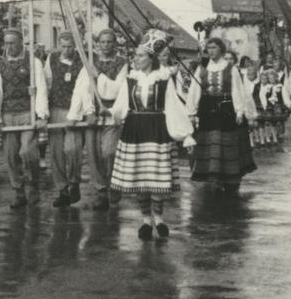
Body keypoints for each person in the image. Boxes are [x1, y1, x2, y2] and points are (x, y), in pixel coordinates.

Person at [109, 32, 196, 240]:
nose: (135, 59)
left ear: (151, 58)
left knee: (156, 177)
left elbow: (174, 108)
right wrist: (109, 114)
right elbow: (120, 107)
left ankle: (159, 217)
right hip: (135, 130)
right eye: (135, 56)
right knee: (141, 178)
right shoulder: (131, 79)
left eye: (140, 56)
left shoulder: (164, 79)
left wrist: (186, 135)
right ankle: (146, 220)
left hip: (157, 129)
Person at [0, 28, 49, 209]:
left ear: (22, 42)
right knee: (11, 154)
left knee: (27, 152)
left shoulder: (33, 62)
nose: (9, 46)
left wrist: (40, 115)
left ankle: (33, 184)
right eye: (6, 43)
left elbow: (41, 88)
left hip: (27, 112)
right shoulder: (0, 65)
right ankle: (18, 191)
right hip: (8, 114)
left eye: (12, 42)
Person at [187, 38, 259, 195]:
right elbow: (194, 91)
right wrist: (191, 113)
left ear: (221, 50)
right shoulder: (202, 68)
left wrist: (239, 111)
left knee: (226, 142)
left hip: (226, 109)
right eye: (209, 48)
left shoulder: (231, 68)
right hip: (207, 109)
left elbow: (237, 91)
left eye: (214, 48)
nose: (211, 51)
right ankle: (215, 176)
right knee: (211, 141)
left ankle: (230, 177)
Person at [71, 28, 127, 211]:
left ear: (115, 44)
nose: (105, 46)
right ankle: (101, 191)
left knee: (109, 151)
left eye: (109, 42)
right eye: (102, 42)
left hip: (111, 112)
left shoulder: (122, 64)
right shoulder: (90, 63)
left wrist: (99, 76)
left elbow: (117, 90)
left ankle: (114, 184)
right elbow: (82, 88)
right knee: (93, 153)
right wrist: (87, 110)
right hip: (93, 113)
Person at [44, 31, 91, 208]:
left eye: (70, 46)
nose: (67, 50)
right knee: (56, 152)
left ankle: (74, 183)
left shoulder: (83, 60)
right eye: (63, 46)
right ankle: (62, 190)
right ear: (58, 45)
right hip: (56, 108)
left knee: (73, 150)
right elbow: (47, 83)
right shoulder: (52, 59)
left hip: (75, 111)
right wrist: (44, 110)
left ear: (76, 46)